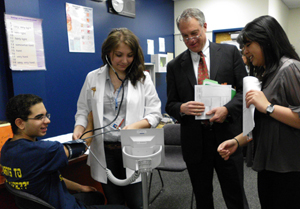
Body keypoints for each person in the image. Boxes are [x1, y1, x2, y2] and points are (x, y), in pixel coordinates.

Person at [165, 8, 249, 209]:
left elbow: (245, 92)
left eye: (194, 33)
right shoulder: (175, 66)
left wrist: (227, 110)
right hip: (195, 142)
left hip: (227, 138)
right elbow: (170, 105)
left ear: (204, 27)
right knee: (202, 197)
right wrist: (182, 108)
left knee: (235, 194)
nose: (190, 40)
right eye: (185, 36)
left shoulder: (230, 53)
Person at [73, 28, 162, 209]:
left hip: (132, 149)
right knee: (115, 204)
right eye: (119, 55)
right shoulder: (93, 78)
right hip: (104, 150)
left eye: (130, 55)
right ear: (108, 53)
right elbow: (83, 109)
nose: (124, 61)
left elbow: (155, 113)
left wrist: (134, 127)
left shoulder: (143, 78)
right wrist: (79, 128)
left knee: (137, 203)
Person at [218, 15, 300, 209]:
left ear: (266, 40)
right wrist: (237, 141)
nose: (245, 52)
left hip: (289, 170)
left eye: (248, 45)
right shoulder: (268, 72)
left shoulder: (290, 69)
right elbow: (266, 124)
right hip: (270, 167)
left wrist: (268, 107)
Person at [0, 94, 128, 209]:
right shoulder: (43, 151)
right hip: (65, 205)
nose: (47, 121)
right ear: (20, 123)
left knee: (96, 197)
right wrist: (91, 121)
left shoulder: (7, 149)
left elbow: (49, 177)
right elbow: (83, 145)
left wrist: (80, 187)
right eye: (39, 117)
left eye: (46, 115)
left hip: (46, 202)